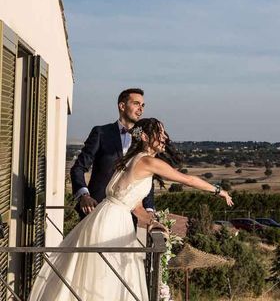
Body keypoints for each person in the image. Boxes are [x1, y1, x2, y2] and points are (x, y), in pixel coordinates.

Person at [29, 118, 233, 301]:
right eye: (159, 133)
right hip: (112, 224)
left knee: (98, 276)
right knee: (107, 276)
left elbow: (135, 206)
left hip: (107, 218)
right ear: (144, 137)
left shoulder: (129, 160)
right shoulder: (148, 161)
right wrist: (218, 190)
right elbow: (187, 179)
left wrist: (152, 221)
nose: (164, 137)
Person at [70, 88, 155, 225]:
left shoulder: (144, 139)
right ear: (122, 106)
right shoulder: (101, 133)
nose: (141, 109)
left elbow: (146, 177)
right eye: (136, 104)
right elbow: (78, 168)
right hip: (96, 210)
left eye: (143, 105)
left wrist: (149, 209)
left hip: (128, 215)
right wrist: (84, 196)